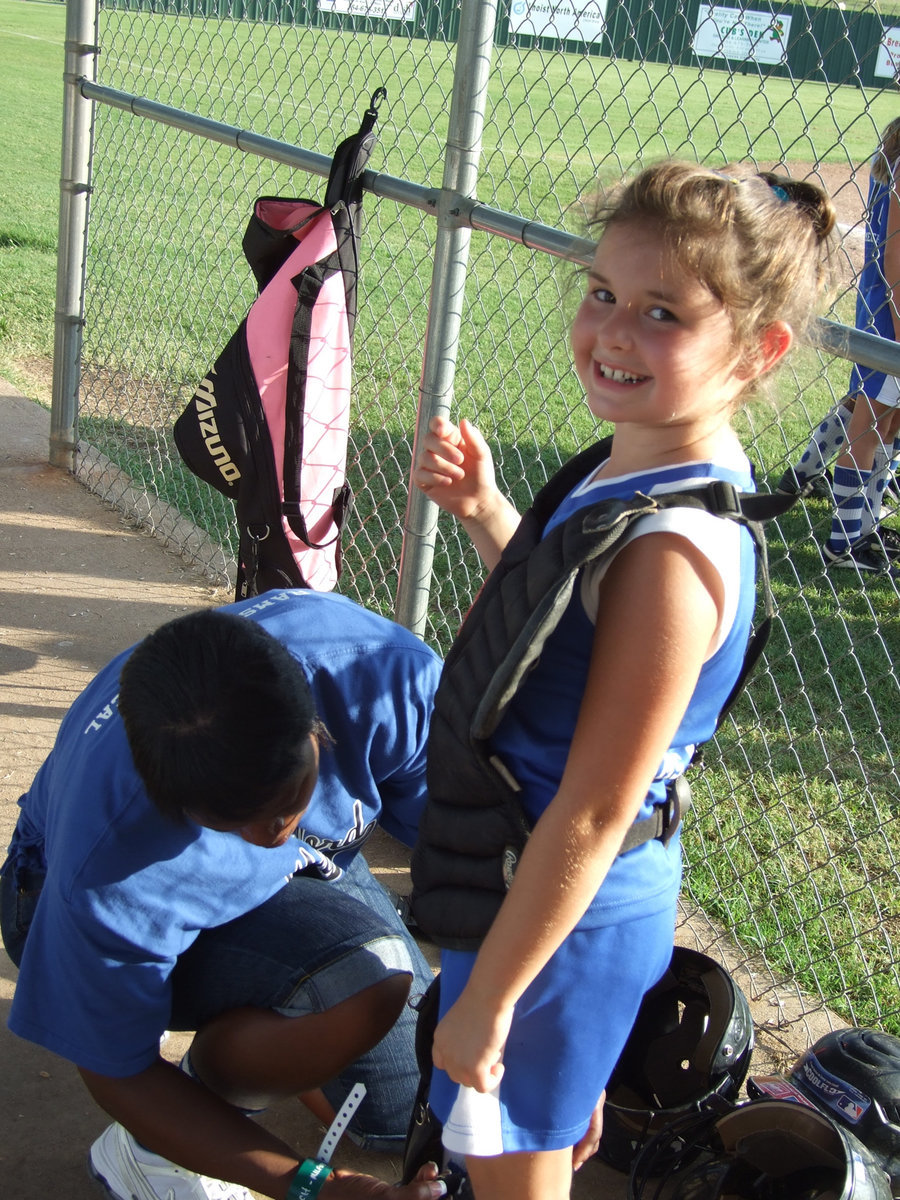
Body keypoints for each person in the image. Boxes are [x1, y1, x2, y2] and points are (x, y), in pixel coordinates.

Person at [410, 161, 837, 1200]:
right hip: (532, 892)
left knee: (512, 1171)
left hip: (561, 911)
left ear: (758, 351)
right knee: (511, 1144)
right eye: (603, 293)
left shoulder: (670, 552)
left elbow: (598, 809)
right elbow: (558, 627)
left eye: (663, 314)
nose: (612, 331)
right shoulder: (636, 468)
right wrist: (486, 515)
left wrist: (494, 1000)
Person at [0, 588, 448, 1200]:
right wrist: (312, 1186)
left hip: (311, 866)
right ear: (169, 800)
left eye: (289, 805)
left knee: (411, 1106)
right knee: (371, 983)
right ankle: (154, 1154)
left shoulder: (382, 673)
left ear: (315, 725)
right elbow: (118, 1072)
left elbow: (470, 853)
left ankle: (284, 1029)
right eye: (234, 824)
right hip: (53, 898)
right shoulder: (111, 861)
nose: (268, 838)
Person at [778, 117, 900, 576]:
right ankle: (845, 542)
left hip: (884, 307)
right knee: (871, 422)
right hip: (892, 313)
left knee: (881, 416)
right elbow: (895, 258)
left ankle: (822, 485)